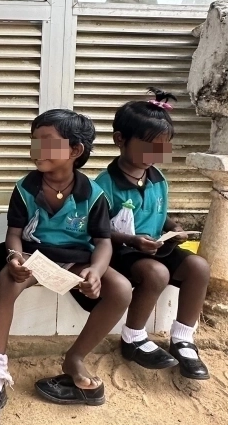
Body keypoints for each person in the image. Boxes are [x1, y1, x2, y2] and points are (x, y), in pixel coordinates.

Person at [0, 110, 133, 424]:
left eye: (46, 142)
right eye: (34, 141)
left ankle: (75, 357)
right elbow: (14, 234)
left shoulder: (93, 195)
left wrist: (96, 271)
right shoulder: (25, 188)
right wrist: (14, 258)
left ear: (74, 151)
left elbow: (103, 241)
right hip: (36, 257)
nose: (36, 149)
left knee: (122, 289)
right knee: (8, 280)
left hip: (77, 259)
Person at [94, 88, 210, 379]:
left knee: (199, 266)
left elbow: (159, 212)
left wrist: (174, 228)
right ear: (120, 140)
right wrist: (132, 240)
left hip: (156, 247)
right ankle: (133, 337)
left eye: (163, 147)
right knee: (157, 273)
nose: (156, 154)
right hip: (122, 252)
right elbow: (98, 228)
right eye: (149, 146)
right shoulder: (104, 184)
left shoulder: (158, 179)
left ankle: (183, 337)